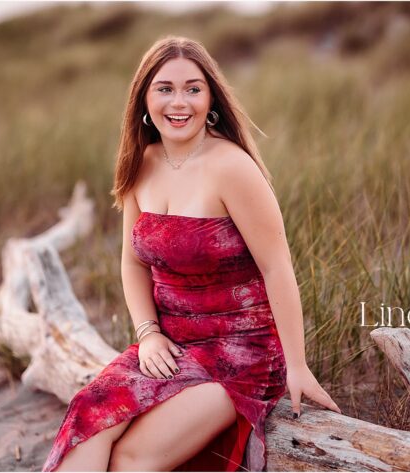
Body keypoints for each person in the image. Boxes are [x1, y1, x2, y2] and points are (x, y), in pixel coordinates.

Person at [43, 35, 341, 472]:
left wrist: (297, 366)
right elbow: (132, 261)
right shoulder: (140, 161)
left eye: (193, 89)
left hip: (239, 353)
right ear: (144, 98)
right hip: (169, 344)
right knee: (87, 421)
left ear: (210, 98)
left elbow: (277, 267)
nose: (179, 102)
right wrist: (147, 333)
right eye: (165, 88)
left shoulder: (232, 168)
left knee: (131, 458)